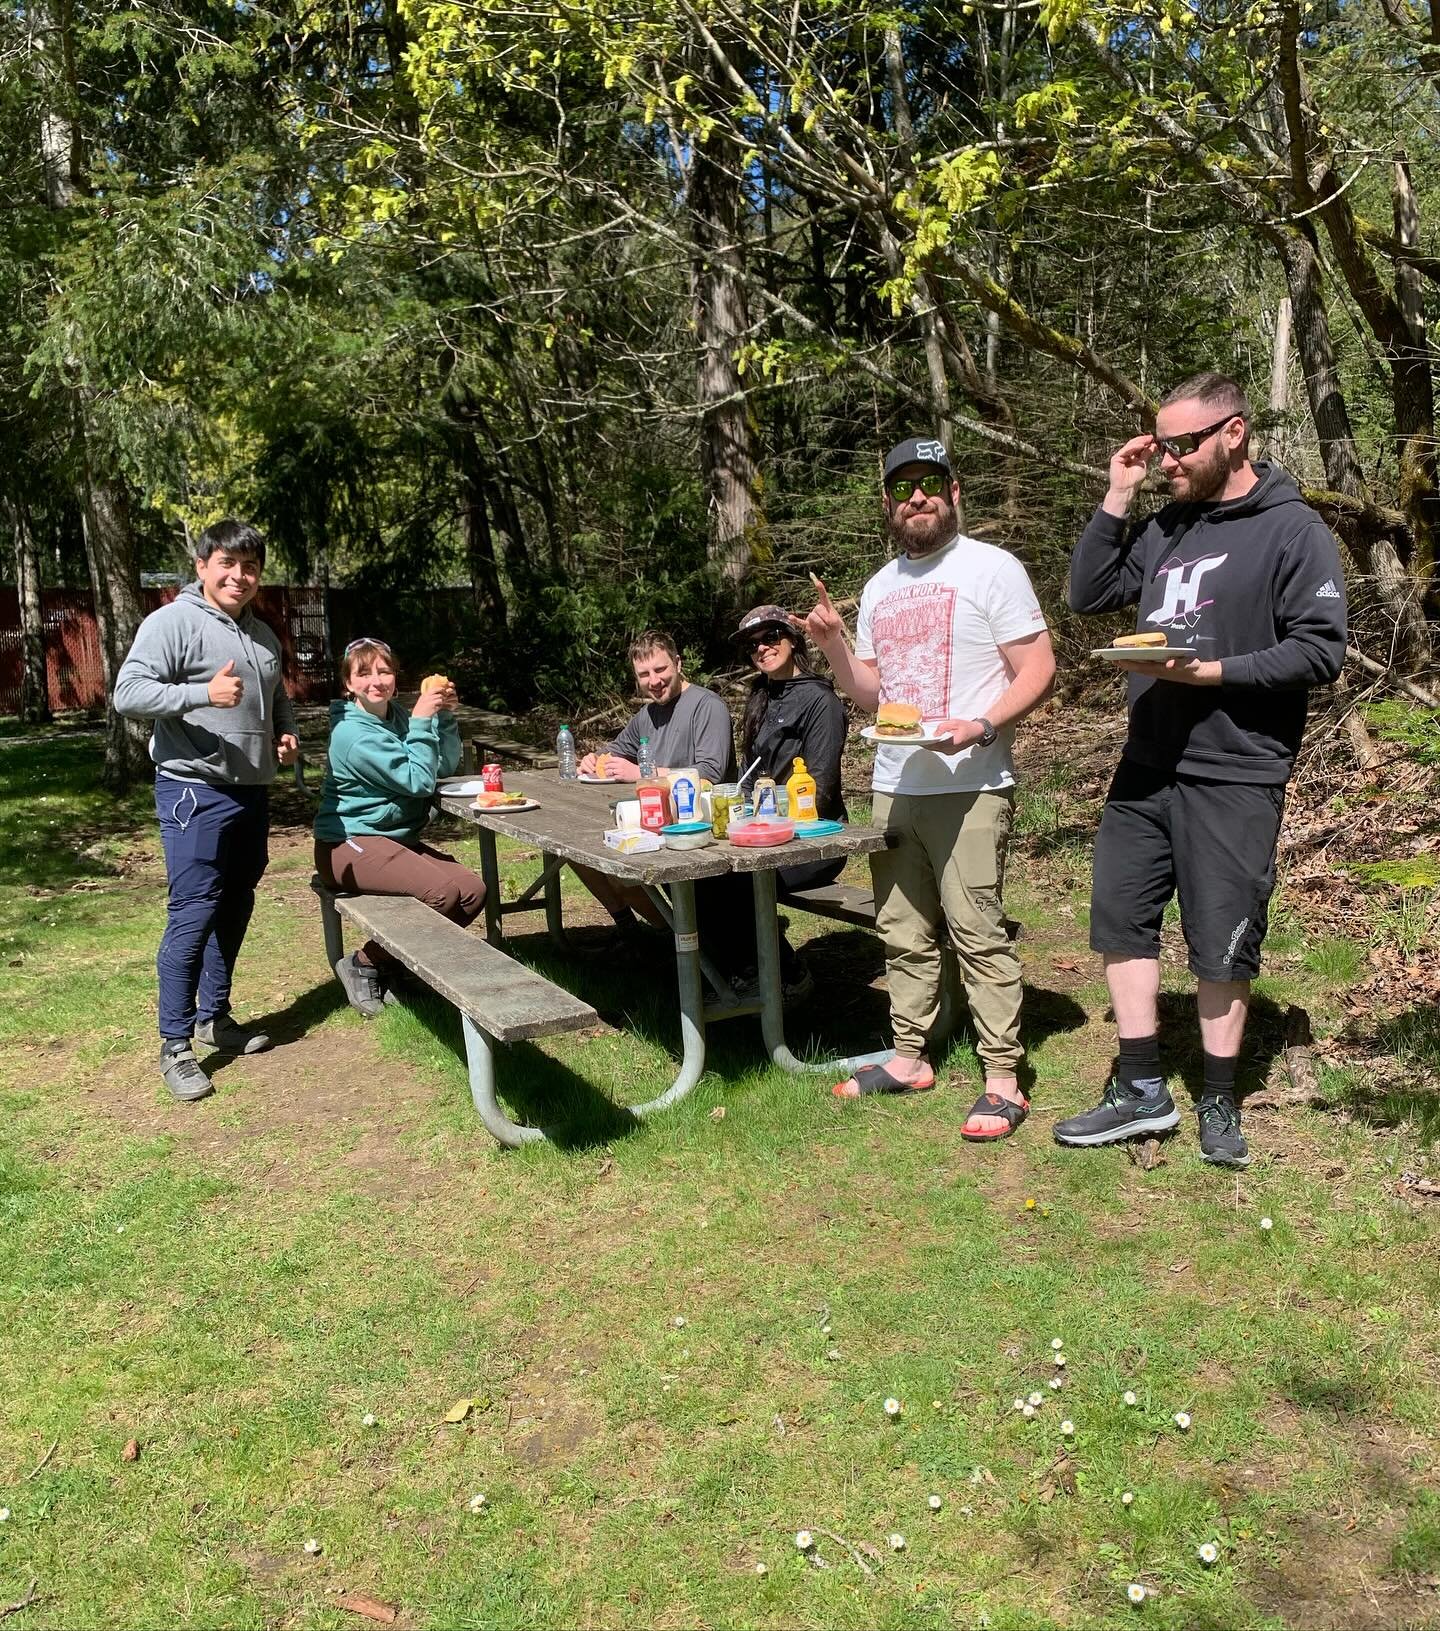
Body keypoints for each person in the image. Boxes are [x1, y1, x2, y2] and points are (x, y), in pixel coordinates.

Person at [1059, 373, 1346, 1167]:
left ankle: (1219, 1096)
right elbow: (1088, 593)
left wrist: (1213, 673)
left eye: (1181, 445)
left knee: (1221, 937)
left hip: (1236, 767)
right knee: (1122, 914)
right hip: (1147, 761)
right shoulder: (1164, 529)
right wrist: (1118, 495)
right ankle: (1142, 1087)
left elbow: (1320, 648)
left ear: (1234, 434)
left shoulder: (1294, 530)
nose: (1167, 460)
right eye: (1160, 447)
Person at [795, 437, 1055, 1137]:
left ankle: (1004, 1075)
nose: (918, 496)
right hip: (897, 779)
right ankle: (910, 1055)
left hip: (971, 781)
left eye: (930, 482)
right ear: (887, 502)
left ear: (954, 490)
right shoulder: (880, 587)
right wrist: (832, 646)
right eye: (904, 485)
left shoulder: (992, 569)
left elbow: (1038, 666)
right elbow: (871, 695)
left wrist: (982, 722)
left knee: (976, 927)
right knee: (903, 929)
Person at [114, 519, 300, 1103]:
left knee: (236, 902)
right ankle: (175, 1046)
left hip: (251, 790)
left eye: (250, 567)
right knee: (193, 910)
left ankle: (214, 1016)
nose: (238, 577)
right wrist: (201, 694)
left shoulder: (263, 635)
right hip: (194, 789)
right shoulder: (171, 623)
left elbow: (275, 697)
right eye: (227, 564)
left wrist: (287, 735)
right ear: (202, 566)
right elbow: (128, 694)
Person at [313, 641, 485, 1016]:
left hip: (393, 840)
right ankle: (363, 963)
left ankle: (396, 966)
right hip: (347, 844)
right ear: (348, 684)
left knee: (472, 892)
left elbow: (442, 767)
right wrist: (423, 719)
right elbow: (418, 782)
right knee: (441, 894)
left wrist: (443, 718)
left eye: (384, 671)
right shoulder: (351, 734)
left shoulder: (397, 717)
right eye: (364, 673)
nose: (376, 681)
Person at [709, 604, 850, 996]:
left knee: (730, 883)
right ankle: (742, 967)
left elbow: (820, 789)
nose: (762, 649)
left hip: (813, 841)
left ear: (792, 639)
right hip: (759, 831)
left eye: (771, 637)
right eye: (753, 645)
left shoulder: (821, 701)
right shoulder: (762, 696)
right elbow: (748, 777)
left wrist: (769, 819)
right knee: (695, 877)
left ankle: (784, 974)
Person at [574, 631, 738, 932]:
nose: (654, 681)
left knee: (619, 869)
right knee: (585, 853)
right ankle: (669, 937)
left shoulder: (707, 706)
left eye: (661, 670)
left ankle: (689, 944)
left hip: (705, 831)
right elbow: (617, 749)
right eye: (644, 674)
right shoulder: (647, 714)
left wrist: (641, 774)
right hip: (655, 824)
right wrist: (592, 759)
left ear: (678, 663)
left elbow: (710, 774)